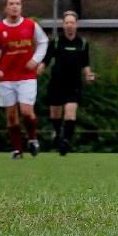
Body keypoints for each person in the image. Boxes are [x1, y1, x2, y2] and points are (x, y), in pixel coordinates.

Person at [0, 0, 49, 159]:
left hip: (27, 76)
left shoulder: (30, 26)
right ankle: (18, 150)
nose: (14, 6)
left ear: (21, 7)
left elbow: (43, 42)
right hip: (6, 77)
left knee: (27, 111)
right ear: (6, 8)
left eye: (18, 4)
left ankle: (33, 139)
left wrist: (35, 60)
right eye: (11, 4)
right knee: (12, 117)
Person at [43, 11, 95, 156]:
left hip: (74, 84)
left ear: (76, 25)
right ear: (63, 25)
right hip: (57, 82)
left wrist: (88, 75)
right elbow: (46, 60)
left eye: (72, 23)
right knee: (55, 114)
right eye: (67, 23)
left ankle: (65, 140)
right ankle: (58, 134)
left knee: (70, 112)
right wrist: (38, 69)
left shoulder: (83, 44)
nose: (69, 25)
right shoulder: (56, 42)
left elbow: (85, 64)